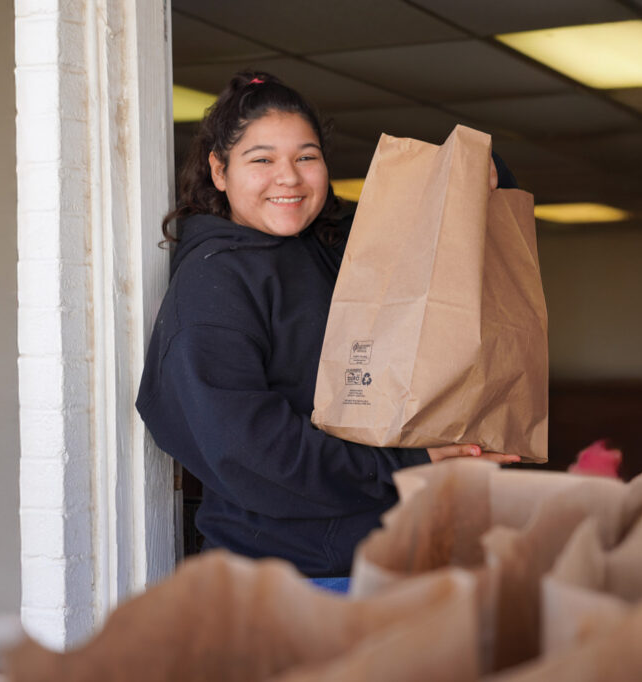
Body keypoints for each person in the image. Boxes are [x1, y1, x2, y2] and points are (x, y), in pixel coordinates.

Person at [136, 71, 520, 578]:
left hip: (398, 561)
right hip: (289, 583)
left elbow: (445, 238)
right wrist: (406, 468)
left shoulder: (337, 246)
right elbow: (250, 449)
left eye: (306, 157)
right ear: (219, 170)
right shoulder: (214, 283)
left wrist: (478, 173)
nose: (288, 177)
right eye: (262, 159)